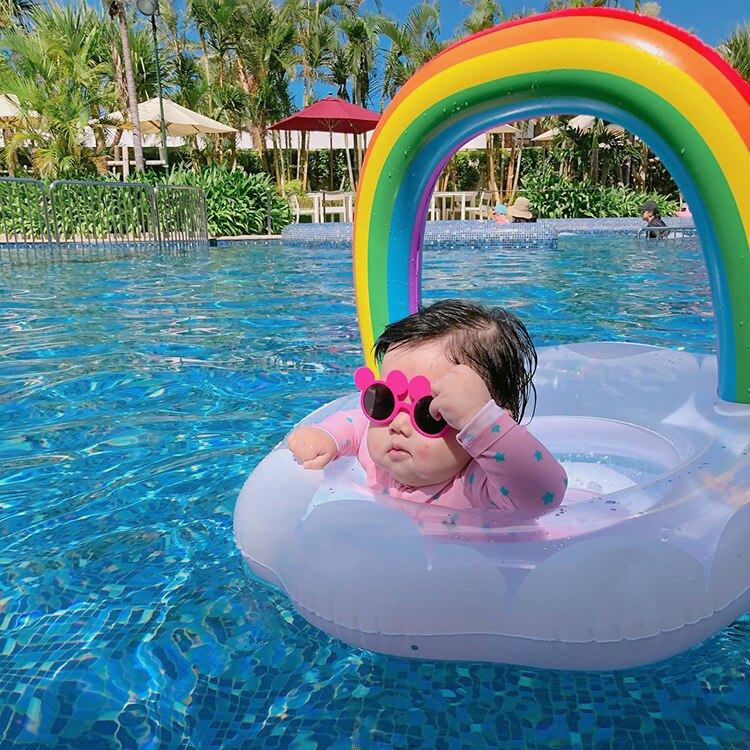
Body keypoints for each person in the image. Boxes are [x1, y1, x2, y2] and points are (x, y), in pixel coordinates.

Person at [287, 299, 567, 513]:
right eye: (384, 403)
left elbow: (545, 495)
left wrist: (482, 423)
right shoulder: (382, 460)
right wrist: (327, 437)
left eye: (428, 414)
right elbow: (358, 423)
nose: (396, 425)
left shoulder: (479, 487)